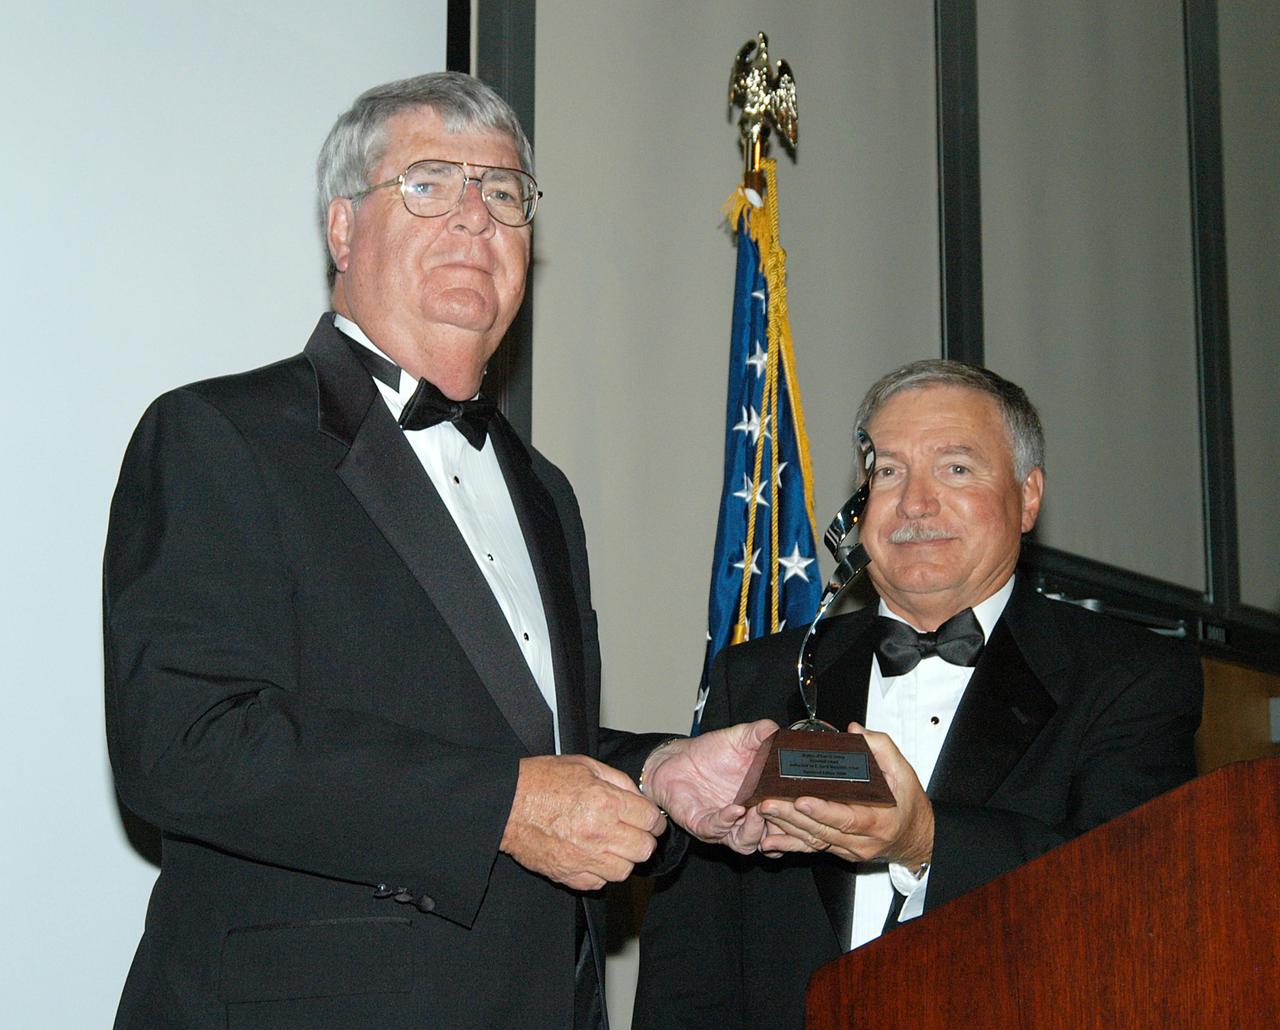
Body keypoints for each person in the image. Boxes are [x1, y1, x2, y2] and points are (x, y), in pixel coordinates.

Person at [104, 71, 774, 1030]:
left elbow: (530, 750)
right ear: (343, 229)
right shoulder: (219, 433)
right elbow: (187, 744)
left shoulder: (546, 493)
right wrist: (499, 807)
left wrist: (661, 773)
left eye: (503, 192)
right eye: (429, 183)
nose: (476, 218)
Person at [634, 359, 1202, 1029]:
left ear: (1028, 498)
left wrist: (925, 841)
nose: (915, 504)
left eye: (956, 469)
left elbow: (1130, 914)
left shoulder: (1131, 677)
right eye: (889, 471)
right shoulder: (757, 679)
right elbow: (691, 966)